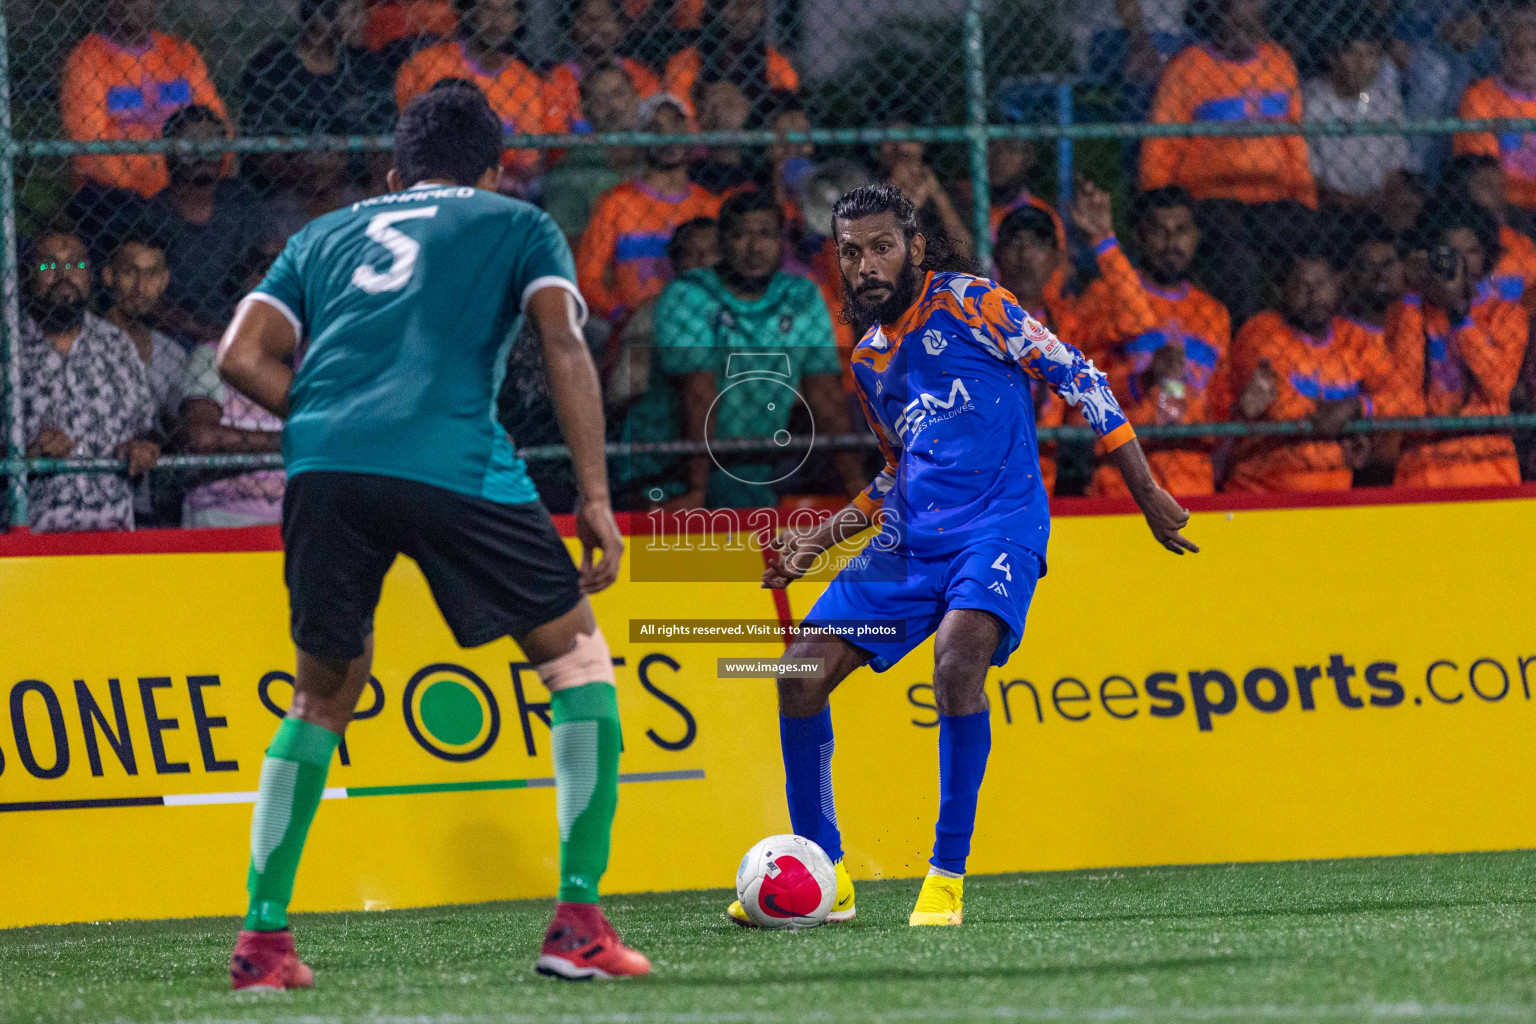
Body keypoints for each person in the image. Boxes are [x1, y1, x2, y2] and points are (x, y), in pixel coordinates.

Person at [216, 85, 646, 987]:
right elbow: (565, 344)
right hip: (453, 458)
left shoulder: (322, 233)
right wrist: (596, 499)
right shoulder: (515, 221)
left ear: (393, 172)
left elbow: (238, 358)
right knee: (576, 665)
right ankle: (578, 927)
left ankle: (262, 945)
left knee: (319, 699)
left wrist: (334, 417)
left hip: (324, 468)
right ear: (495, 168)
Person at [724, 184, 1196, 929]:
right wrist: (823, 536)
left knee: (956, 662)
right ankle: (827, 877)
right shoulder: (870, 358)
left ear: (915, 246)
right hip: (910, 540)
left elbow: (1080, 375)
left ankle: (944, 879)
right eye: (851, 253)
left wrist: (1144, 489)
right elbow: (896, 470)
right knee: (799, 674)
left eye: (881, 247)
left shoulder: (977, 304)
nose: (866, 265)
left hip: (998, 527)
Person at [650, 189, 863, 508]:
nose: (754, 248)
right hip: (672, 463)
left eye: (765, 234)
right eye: (740, 235)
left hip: (759, 461)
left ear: (782, 242)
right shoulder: (688, 293)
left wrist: (856, 485)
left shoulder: (801, 295)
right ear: (721, 243)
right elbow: (698, 395)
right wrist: (696, 489)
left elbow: (825, 394)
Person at [1139, 0, 1316, 322]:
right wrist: (1157, 203)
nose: (1241, 35)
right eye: (1232, 25)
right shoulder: (1188, 67)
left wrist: (1305, 197)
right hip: (1210, 196)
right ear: (1215, 23)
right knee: (1237, 260)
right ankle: (1241, 338)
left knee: (1316, 240)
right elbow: (1160, 146)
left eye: (1250, 26)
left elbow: (1294, 143)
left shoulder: (1279, 62)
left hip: (1273, 195)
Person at [1078, 186, 1233, 498]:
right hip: (1122, 478)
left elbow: (1221, 404)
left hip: (1195, 482)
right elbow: (1081, 388)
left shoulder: (1214, 313)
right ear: (1139, 236)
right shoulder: (1106, 295)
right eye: (1159, 231)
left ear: (1197, 237)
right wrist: (1144, 378)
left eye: (1181, 231)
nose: (1171, 243)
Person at [18, 231, 160, 533]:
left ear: (92, 278)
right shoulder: (8, 349)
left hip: (112, 531)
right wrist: (24, 457)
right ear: (27, 276)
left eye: (76, 265)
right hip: (30, 537)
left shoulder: (116, 345)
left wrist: (141, 446)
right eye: (47, 267)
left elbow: (147, 426)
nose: (63, 275)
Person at [1224, 243, 1396, 492]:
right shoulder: (1261, 330)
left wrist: (1357, 407)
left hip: (1333, 496)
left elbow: (1404, 399)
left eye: (1322, 284)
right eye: (1302, 285)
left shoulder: (1354, 337)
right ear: (1282, 289)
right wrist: (1340, 427)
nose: (1314, 294)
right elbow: (1278, 405)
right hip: (1260, 494)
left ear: (1337, 286)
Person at [1385, 202, 1528, 488]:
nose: (1461, 262)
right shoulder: (1409, 310)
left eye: (1471, 252)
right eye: (1451, 252)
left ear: (1487, 255)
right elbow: (1405, 386)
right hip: (1423, 463)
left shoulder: (1507, 314)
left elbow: (1498, 385)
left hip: (1489, 462)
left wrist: (1460, 313)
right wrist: (1415, 294)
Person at [576, 95, 722, 329]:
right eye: (656, 128)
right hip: (638, 324)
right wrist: (619, 313)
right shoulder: (615, 202)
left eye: (677, 124)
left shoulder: (708, 205)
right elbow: (586, 277)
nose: (669, 136)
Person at [60, 0, 227, 202]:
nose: (125, 4)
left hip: (189, 189)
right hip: (120, 197)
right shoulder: (87, 59)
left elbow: (219, 125)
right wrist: (148, 192)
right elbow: (90, 151)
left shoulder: (181, 52)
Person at [179, 243, 287, 528]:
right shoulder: (210, 357)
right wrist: (288, 442)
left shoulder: (302, 360)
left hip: (291, 517)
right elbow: (202, 438)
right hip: (223, 513)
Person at [394, 0, 552, 186]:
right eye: (487, 9)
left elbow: (529, 161)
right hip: (437, 176)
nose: (496, 20)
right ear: (470, 11)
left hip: (505, 182)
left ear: (518, 18)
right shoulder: (424, 65)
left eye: (507, 11)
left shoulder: (526, 80)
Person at [139, 106, 262, 345]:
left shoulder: (240, 201)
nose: (202, 155)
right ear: (169, 154)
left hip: (241, 329)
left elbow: (262, 267)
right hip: (174, 339)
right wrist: (207, 334)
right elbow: (148, 300)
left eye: (212, 145)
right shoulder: (153, 215)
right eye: (190, 145)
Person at [1303, 10, 1418, 220]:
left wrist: (1383, 200)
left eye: (1372, 55)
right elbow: (1313, 180)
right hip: (1327, 211)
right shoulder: (1311, 101)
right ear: (1332, 57)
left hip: (1377, 207)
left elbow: (1395, 169)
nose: (1364, 65)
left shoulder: (1387, 99)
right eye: (1355, 54)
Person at [543, 62, 644, 240]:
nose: (612, 105)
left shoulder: (658, 154)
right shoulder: (571, 171)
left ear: (636, 99)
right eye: (599, 100)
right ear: (585, 110)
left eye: (618, 94)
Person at [1455, 7, 1536, 215]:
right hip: (1502, 207)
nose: (1525, 58)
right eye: (1516, 49)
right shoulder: (1479, 95)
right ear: (1503, 53)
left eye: (1534, 49)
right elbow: (1482, 168)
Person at [663, 0, 799, 115]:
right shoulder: (687, 62)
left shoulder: (775, 62)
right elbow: (683, 115)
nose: (743, 15)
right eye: (734, 5)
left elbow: (789, 109)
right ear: (717, 9)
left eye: (751, 6)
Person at [544, 0, 661, 134]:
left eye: (605, 18)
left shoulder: (640, 74)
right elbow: (555, 135)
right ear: (572, 28)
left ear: (621, 27)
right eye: (588, 20)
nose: (597, 27)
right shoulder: (557, 79)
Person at [1438, 153, 1536, 307]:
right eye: (1487, 185)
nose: (1498, 193)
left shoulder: (1521, 238)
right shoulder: (1448, 237)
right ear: (1464, 190)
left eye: (1501, 185)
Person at [876, 124, 974, 258]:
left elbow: (964, 252)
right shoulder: (870, 192)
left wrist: (936, 193)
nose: (901, 147)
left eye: (908, 138)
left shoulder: (943, 191)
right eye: (891, 139)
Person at [689, 78, 758, 196]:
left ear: (745, 107)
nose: (722, 113)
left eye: (729, 104)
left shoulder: (756, 161)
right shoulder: (692, 169)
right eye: (714, 106)